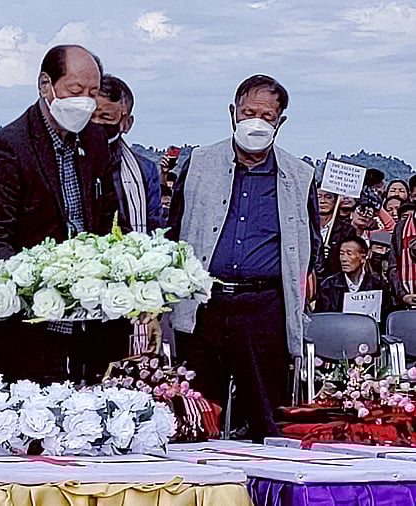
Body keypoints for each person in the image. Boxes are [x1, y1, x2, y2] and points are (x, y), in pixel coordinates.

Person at [167, 74, 319, 441]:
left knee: (267, 416)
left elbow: (309, 243)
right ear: (233, 113)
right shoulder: (199, 163)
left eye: (266, 115)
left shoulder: (299, 175)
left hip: (265, 307)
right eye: (249, 112)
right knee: (195, 413)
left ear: (280, 122)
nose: (256, 122)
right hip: (205, 305)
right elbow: (172, 232)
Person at [0, 44, 125, 383]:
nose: (84, 101)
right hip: (31, 324)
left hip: (91, 317)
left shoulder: (95, 140)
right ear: (46, 85)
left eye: (93, 92)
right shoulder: (8, 147)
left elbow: (109, 219)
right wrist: (39, 285)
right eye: (75, 90)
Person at [91, 74, 162, 233]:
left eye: (105, 117)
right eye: (89, 116)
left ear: (126, 124)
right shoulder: (64, 162)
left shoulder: (145, 171)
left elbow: (154, 229)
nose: (95, 124)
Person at [316, 237, 389, 321]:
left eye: (349, 254)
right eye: (341, 253)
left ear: (363, 257)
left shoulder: (377, 284)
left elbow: (384, 316)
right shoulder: (328, 285)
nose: (344, 259)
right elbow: (322, 319)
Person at [316, 188, 356, 281]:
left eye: (328, 197)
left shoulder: (347, 230)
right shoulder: (305, 227)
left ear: (336, 201)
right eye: (319, 197)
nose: (322, 201)